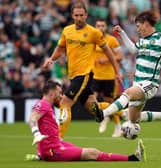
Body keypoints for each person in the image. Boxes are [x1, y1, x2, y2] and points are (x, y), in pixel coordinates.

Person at [43, 1, 121, 138]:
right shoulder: (67, 31)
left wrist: (117, 71)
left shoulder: (93, 32)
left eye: (81, 15)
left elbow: (109, 52)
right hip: (73, 75)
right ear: (72, 15)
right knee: (92, 107)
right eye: (76, 15)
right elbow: (60, 48)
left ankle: (58, 140)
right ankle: (124, 112)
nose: (79, 18)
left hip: (85, 74)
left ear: (86, 15)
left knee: (64, 102)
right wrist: (51, 58)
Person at [26, 79, 146, 162]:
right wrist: (36, 133)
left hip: (53, 146)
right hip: (53, 151)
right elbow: (32, 119)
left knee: (78, 149)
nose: (62, 96)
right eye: (59, 93)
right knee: (92, 153)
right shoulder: (43, 104)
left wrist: (41, 150)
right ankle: (132, 158)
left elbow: (43, 126)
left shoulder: (45, 105)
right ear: (52, 93)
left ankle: (41, 154)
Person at [102, 10, 161, 130]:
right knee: (133, 119)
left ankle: (102, 114)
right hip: (137, 83)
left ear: (146, 24)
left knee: (127, 94)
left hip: (149, 84)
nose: (137, 29)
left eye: (138, 26)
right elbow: (133, 49)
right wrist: (122, 32)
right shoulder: (142, 40)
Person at [91, 18, 123, 137]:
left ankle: (117, 126)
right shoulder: (92, 40)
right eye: (98, 25)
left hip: (109, 76)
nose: (100, 28)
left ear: (106, 27)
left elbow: (120, 56)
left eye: (102, 26)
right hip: (95, 76)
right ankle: (103, 117)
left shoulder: (112, 40)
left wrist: (106, 59)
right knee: (92, 101)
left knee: (110, 103)